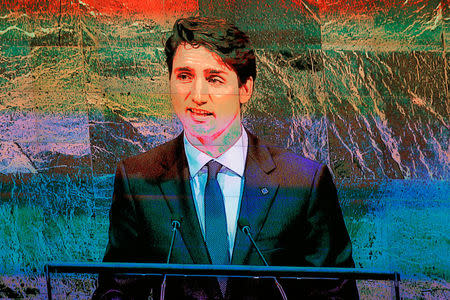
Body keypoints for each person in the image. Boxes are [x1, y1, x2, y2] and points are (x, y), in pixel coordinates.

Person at [93, 17, 359, 300]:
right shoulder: (138, 181)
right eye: (184, 76)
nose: (196, 96)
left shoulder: (303, 182)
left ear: (245, 89)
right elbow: (115, 291)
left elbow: (336, 294)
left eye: (214, 79)